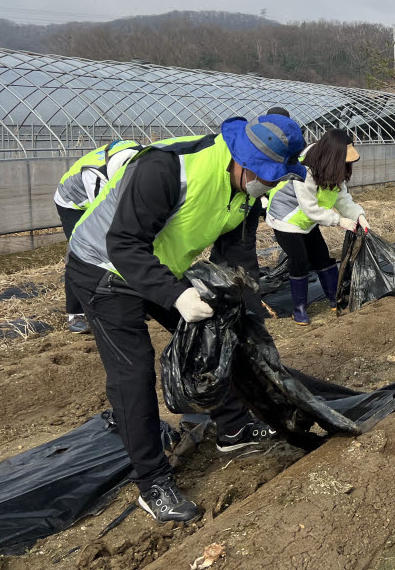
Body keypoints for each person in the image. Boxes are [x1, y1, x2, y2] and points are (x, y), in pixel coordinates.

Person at [66, 114, 307, 523]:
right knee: (133, 372)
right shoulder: (166, 168)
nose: (269, 184)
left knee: (219, 336)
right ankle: (152, 483)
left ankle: (233, 429)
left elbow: (237, 256)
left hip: (159, 263)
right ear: (244, 163)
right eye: (267, 176)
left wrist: (247, 320)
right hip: (104, 269)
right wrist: (176, 296)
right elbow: (123, 244)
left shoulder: (246, 190)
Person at [265, 129, 369, 324]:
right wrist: (339, 221)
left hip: (307, 219)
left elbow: (342, 197)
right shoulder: (305, 169)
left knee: (322, 256)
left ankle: (334, 299)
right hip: (285, 218)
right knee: (300, 260)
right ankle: (300, 309)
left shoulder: (332, 168)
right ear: (333, 156)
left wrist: (358, 215)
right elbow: (310, 208)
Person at [209, 106, 293, 319]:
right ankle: (225, 293)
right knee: (231, 249)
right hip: (232, 198)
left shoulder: (281, 145)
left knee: (241, 248)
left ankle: (245, 304)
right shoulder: (248, 143)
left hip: (246, 200)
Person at [53, 140, 141, 333]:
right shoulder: (96, 175)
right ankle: (75, 313)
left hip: (103, 192)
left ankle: (135, 298)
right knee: (82, 252)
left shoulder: (143, 159)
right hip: (73, 204)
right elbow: (101, 215)